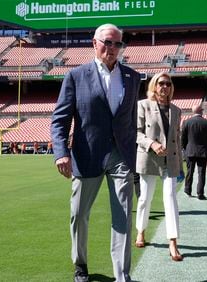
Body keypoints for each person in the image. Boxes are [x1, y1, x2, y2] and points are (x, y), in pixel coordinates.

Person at [50, 23, 141, 282]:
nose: (112, 48)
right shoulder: (76, 76)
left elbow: (131, 119)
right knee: (79, 214)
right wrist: (61, 153)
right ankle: (80, 265)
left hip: (121, 155)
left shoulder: (132, 78)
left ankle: (122, 274)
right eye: (107, 42)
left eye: (117, 44)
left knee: (122, 215)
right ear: (94, 43)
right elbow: (60, 119)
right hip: (86, 155)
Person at [134, 72, 184, 262]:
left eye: (168, 84)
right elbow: (136, 133)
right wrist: (152, 144)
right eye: (161, 83)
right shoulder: (143, 105)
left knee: (171, 199)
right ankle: (141, 231)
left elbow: (177, 140)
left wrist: (180, 165)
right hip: (148, 158)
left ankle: (173, 242)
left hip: (170, 162)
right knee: (145, 199)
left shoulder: (177, 110)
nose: (165, 87)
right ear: (154, 86)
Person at [181, 104, 207, 200]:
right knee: (201, 173)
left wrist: (184, 148)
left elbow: (183, 138)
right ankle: (200, 193)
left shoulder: (186, 122)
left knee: (189, 171)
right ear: (200, 111)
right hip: (203, 152)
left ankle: (187, 190)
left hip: (190, 151)